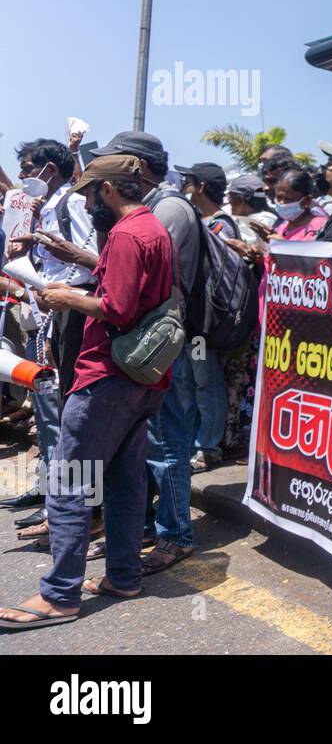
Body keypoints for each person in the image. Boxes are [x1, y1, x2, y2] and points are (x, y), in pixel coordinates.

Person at [0, 154, 174, 630]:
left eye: (91, 193)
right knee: (122, 479)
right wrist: (84, 261)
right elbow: (136, 289)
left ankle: (59, 595)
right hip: (143, 379)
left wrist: (64, 297)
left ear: (109, 191)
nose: (88, 202)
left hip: (106, 377)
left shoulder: (124, 234)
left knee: (70, 482)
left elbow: (117, 308)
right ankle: (123, 575)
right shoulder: (151, 227)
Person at [88, 131, 211, 576]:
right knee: (138, 444)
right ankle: (140, 529)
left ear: (135, 165)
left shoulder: (169, 208)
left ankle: (176, 535)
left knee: (167, 442)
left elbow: (150, 281)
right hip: (141, 343)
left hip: (160, 345)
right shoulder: (151, 208)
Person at [1, 140, 97, 523]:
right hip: (49, 312)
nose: (24, 176)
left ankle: (70, 505)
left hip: (70, 308)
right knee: (47, 405)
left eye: (28, 168)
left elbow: (89, 258)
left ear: (50, 170)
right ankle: (50, 490)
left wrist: (54, 291)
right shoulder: (45, 207)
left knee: (68, 409)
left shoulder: (72, 203)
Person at [173, 162, 238, 473]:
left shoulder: (221, 223)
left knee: (204, 381)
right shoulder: (197, 219)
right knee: (186, 381)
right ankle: (190, 442)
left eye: (187, 180)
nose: (183, 185)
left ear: (199, 186)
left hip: (205, 320)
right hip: (189, 316)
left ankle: (207, 447)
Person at [271, 169, 329, 241]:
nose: (281, 203)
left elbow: (313, 250)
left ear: (306, 201)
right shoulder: (282, 227)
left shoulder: (318, 226)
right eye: (279, 197)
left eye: (288, 199)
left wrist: (284, 245)